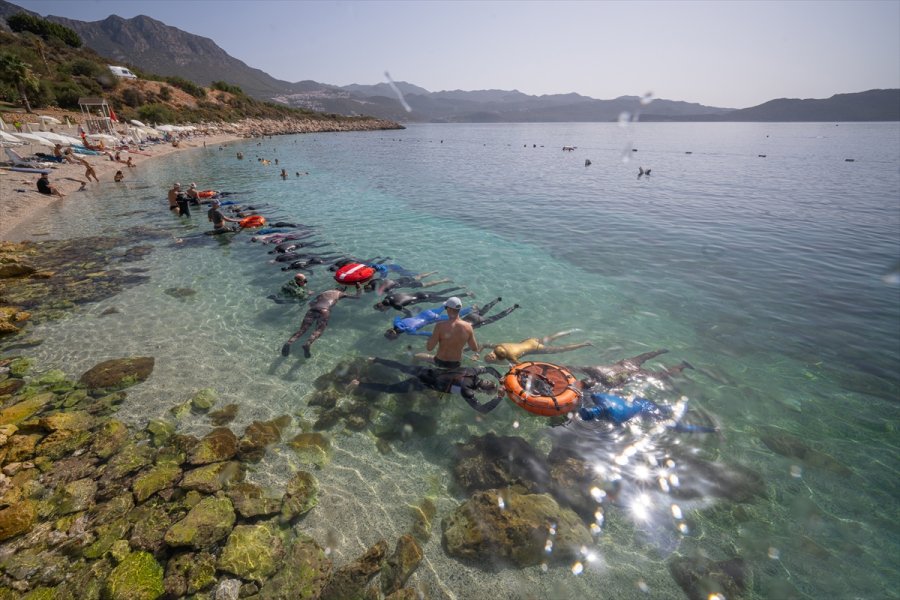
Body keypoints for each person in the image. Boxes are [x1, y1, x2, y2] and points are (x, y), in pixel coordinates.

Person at [351, 357, 505, 414]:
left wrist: (500, 378)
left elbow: (489, 368)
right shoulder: (467, 391)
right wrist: (498, 398)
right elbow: (482, 409)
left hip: (426, 370)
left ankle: (375, 359)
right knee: (391, 389)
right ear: (480, 390)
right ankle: (358, 384)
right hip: (421, 383)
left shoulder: (472, 370)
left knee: (401, 366)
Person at [576, 389, 715, 433]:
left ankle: (712, 429)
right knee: (664, 408)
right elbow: (592, 395)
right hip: (642, 402)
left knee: (677, 427)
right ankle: (687, 408)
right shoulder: (600, 397)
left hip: (647, 412)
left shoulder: (615, 417)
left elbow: (619, 425)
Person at [281, 286, 362, 358]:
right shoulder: (340, 293)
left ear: (335, 288)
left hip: (313, 309)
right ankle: (308, 343)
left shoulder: (324, 292)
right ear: (342, 290)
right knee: (319, 330)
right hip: (324, 310)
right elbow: (357, 297)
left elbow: (311, 303)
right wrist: (359, 288)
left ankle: (289, 342)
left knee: (302, 329)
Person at [572, 349, 692, 388]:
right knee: (644, 356)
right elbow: (575, 368)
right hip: (625, 364)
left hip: (634, 373)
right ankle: (662, 350)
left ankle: (682, 365)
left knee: (661, 375)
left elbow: (622, 383)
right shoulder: (593, 369)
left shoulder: (608, 384)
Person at [424, 297, 479, 369]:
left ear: (449, 309)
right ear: (459, 310)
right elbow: (474, 348)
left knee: (417, 356)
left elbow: (429, 348)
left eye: (446, 307)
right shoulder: (468, 327)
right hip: (456, 364)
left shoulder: (440, 326)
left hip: (440, 361)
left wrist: (429, 339)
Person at [482, 330, 592, 364]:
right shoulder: (499, 346)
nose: (491, 355)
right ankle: (566, 333)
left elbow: (520, 366)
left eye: (490, 357)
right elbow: (484, 344)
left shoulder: (510, 358)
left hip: (535, 348)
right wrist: (477, 352)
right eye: (490, 356)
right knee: (550, 338)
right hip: (529, 340)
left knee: (560, 349)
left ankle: (584, 344)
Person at [384, 304, 473, 340]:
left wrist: (435, 337)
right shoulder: (396, 322)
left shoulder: (409, 332)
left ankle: (471, 308)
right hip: (426, 312)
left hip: (431, 319)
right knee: (441, 308)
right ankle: (449, 303)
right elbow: (397, 317)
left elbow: (426, 333)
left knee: (454, 317)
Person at [374, 288, 471, 316]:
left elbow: (409, 313)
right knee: (439, 292)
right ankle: (460, 288)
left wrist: (407, 317)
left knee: (445, 299)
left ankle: (466, 294)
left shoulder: (396, 306)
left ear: (383, 306)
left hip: (423, 298)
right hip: (420, 292)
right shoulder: (388, 297)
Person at [365, 271, 452, 294]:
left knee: (425, 285)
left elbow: (391, 292)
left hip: (405, 284)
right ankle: (433, 272)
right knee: (419, 277)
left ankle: (444, 280)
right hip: (401, 279)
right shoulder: (374, 281)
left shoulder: (383, 289)